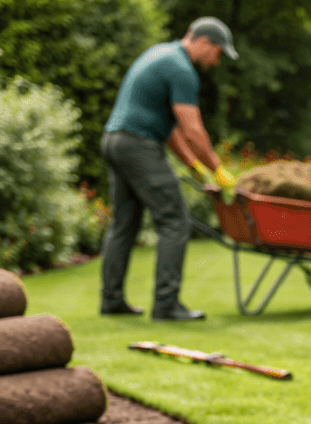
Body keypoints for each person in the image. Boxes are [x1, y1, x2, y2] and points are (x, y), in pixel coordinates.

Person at [99, 17, 240, 321]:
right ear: (204, 42)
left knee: (124, 223)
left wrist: (194, 165)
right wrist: (218, 169)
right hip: (137, 144)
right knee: (175, 221)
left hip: (115, 140)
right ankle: (166, 305)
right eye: (218, 53)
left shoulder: (159, 54)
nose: (216, 61)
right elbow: (192, 129)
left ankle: (111, 300)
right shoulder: (181, 69)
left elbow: (171, 128)